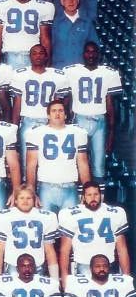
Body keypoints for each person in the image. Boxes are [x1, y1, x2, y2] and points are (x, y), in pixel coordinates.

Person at [63, 42, 122, 182]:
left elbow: (110, 103)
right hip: (78, 119)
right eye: (88, 51)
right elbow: (67, 99)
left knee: (99, 164)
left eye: (94, 51)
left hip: (99, 120)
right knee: (75, 161)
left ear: (99, 54)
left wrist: (112, 132)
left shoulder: (109, 73)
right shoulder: (72, 71)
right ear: (83, 54)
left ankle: (99, 193)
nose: (91, 55)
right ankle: (79, 192)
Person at [9, 44, 71, 164]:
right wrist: (15, 128)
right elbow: (17, 104)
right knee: (26, 161)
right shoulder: (20, 75)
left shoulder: (57, 76)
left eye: (41, 53)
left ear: (46, 56)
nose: (38, 56)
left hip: (49, 122)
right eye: (34, 53)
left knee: (48, 160)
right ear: (30, 57)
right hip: (27, 120)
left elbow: (59, 103)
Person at [25, 99, 90, 213]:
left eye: (61, 111)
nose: (57, 113)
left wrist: (87, 190)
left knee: (70, 223)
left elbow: (83, 163)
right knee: (46, 223)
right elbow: (31, 164)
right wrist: (31, 191)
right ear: (48, 115)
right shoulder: (36, 132)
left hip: (70, 187)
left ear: (66, 115)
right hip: (46, 187)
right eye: (54, 111)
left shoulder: (78, 132)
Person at [57, 181, 130, 282]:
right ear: (83, 197)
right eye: (89, 195)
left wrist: (127, 277)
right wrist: (64, 278)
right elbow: (65, 250)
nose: (93, 198)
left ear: (101, 195)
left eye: (96, 194)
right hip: (83, 265)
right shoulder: (70, 214)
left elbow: (122, 249)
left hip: (109, 264)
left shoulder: (116, 213)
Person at [0, 185, 59, 276]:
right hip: (13, 266)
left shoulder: (46, 217)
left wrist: (55, 278)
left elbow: (49, 250)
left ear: (34, 200)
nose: (25, 201)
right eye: (21, 198)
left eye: (28, 198)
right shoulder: (4, 217)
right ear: (15, 200)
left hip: (38, 266)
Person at [0, 0, 53, 70]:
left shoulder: (43, 7)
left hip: (33, 57)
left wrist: (46, 67)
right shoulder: (0, 6)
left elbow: (45, 40)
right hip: (10, 55)